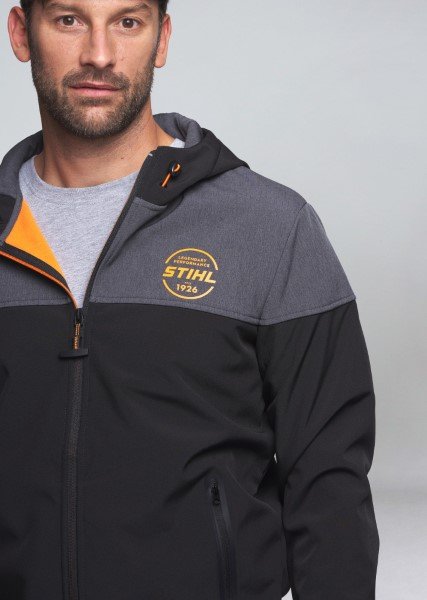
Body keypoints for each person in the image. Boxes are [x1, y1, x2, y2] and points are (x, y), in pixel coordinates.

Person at [0, 1, 379, 598]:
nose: (99, 54)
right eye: (69, 20)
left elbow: (329, 479)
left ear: (162, 39)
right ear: (23, 34)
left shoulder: (269, 226)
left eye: (128, 22)